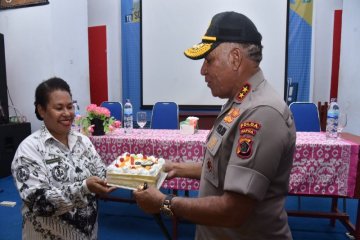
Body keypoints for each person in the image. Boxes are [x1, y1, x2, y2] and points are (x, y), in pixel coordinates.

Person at [133, 11, 296, 239]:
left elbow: (233, 211)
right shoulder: (239, 102)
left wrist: (165, 203)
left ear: (235, 58)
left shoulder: (261, 113)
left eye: (209, 60)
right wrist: (176, 168)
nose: (203, 70)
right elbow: (226, 170)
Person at [11, 77, 115, 240]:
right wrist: (85, 187)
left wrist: (134, 171)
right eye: (59, 108)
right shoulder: (29, 149)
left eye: (70, 106)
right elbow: (39, 202)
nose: (67, 114)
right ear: (41, 110)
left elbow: (102, 172)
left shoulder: (83, 141)